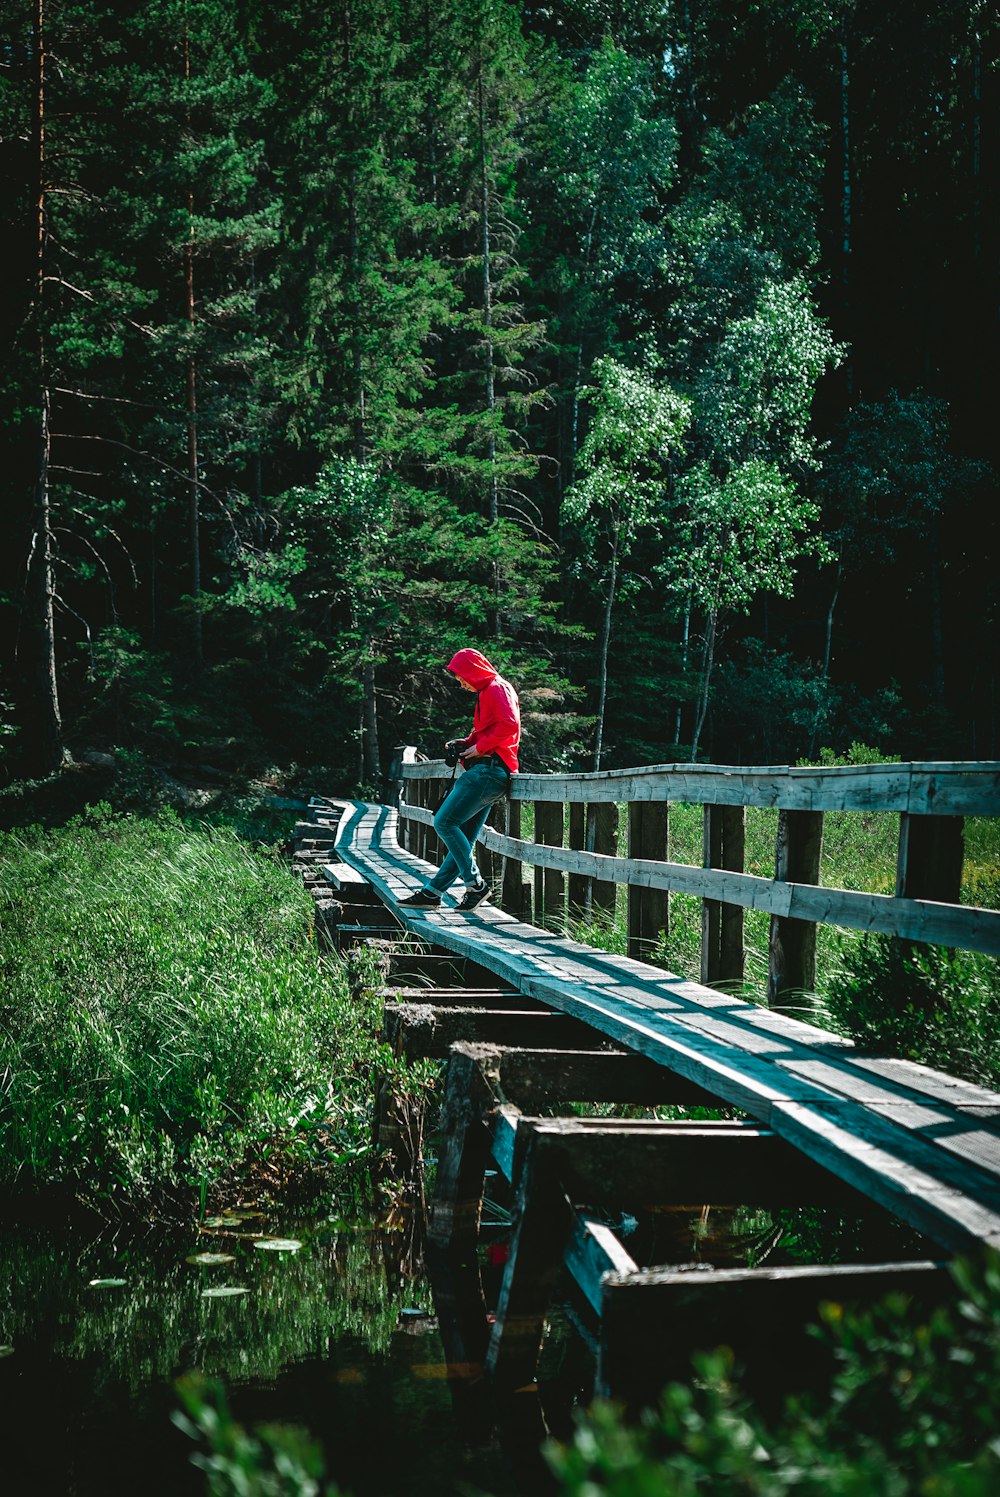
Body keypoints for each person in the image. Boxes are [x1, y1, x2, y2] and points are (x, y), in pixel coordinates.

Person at [400, 648, 520, 911]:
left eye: (461, 677)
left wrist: (479, 748)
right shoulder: (489, 691)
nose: (460, 683)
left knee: (443, 821)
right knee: (462, 836)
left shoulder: (496, 688)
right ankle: (433, 893)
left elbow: (509, 726)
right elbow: (493, 730)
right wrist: (466, 743)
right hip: (490, 772)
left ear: (473, 671)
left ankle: (476, 885)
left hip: (487, 771)